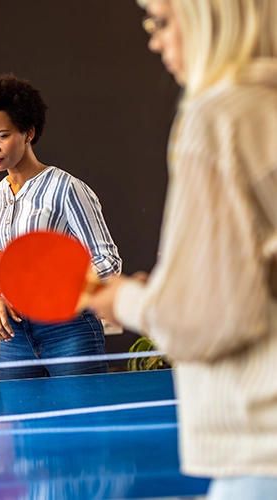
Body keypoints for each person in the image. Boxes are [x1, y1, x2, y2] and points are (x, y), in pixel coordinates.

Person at [88, 0, 277, 498]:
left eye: (163, 21)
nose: (155, 39)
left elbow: (210, 317)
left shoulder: (217, 117)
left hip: (262, 443)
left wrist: (124, 301)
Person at [0, 74, 122, 379]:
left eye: (2, 135)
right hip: (14, 340)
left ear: (28, 132)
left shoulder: (66, 188)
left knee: (83, 425)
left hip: (69, 333)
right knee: (22, 426)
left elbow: (107, 262)